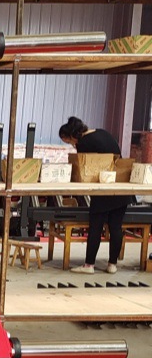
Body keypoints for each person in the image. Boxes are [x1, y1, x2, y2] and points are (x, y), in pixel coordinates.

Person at [58, 116, 132, 274]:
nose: (72, 145)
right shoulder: (103, 132)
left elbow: (83, 168)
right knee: (116, 227)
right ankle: (112, 265)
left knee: (96, 227)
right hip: (120, 186)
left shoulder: (84, 143)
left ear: (72, 135)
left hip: (102, 189)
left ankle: (89, 265)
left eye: (69, 142)